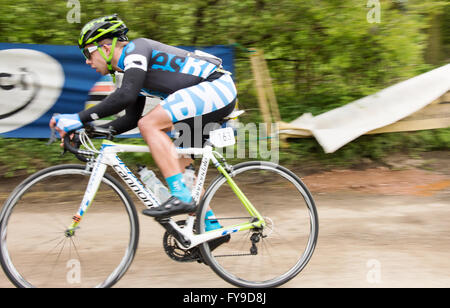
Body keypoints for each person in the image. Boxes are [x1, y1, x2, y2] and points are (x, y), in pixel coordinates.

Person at [49, 14, 237, 228]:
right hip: (205, 99)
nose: (87, 60)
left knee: (149, 124)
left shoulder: (135, 50)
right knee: (180, 165)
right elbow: (130, 118)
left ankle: (181, 197)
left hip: (215, 86)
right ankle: (212, 227)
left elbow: (125, 97)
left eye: (87, 53)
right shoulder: (126, 70)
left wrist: (76, 118)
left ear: (106, 47)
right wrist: (88, 130)